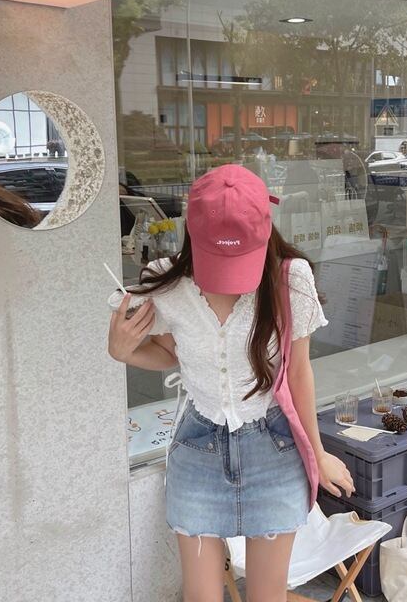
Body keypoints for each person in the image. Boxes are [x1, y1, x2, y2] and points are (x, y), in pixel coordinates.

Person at [107, 164, 354, 601]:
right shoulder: (165, 282)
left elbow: (298, 371)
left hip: (274, 450)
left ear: (265, 228)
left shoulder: (290, 278)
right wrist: (123, 352)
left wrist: (318, 453)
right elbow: (168, 353)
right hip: (198, 451)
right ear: (192, 230)